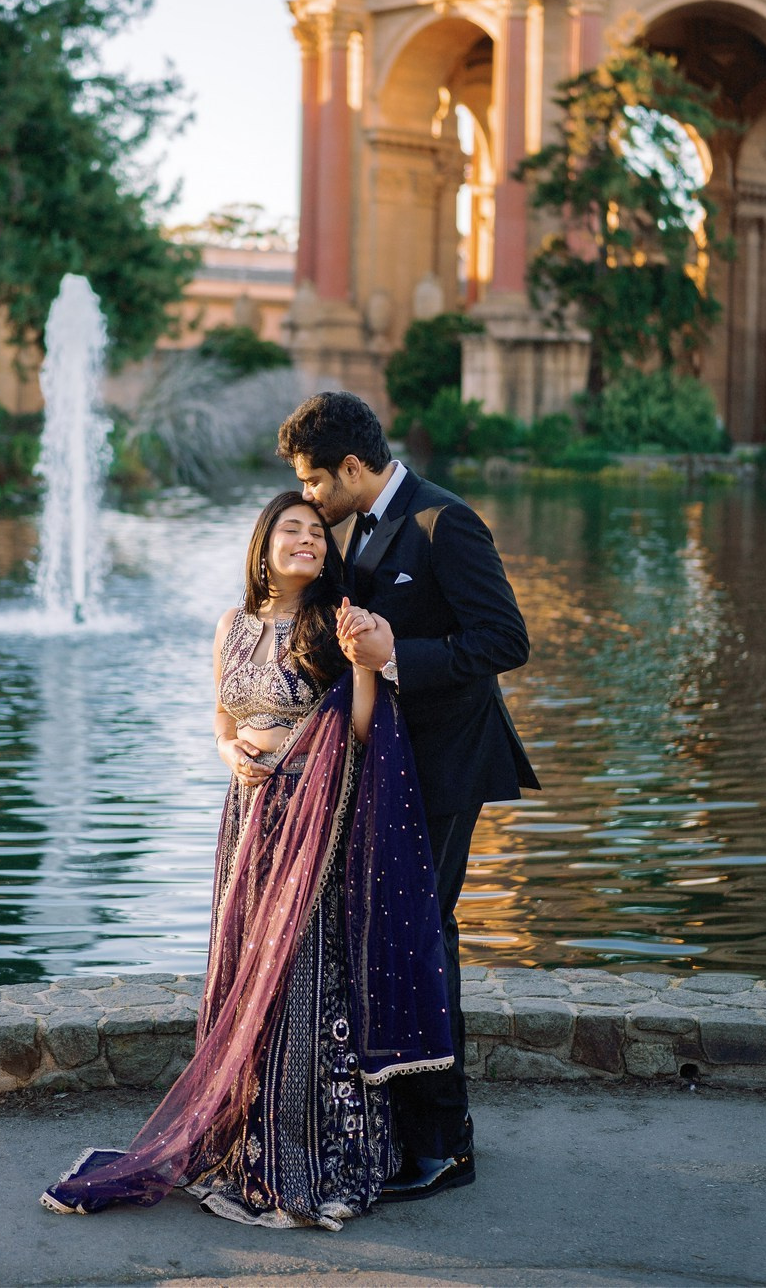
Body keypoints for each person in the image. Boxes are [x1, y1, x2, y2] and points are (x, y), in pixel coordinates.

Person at [41, 492, 454, 1228]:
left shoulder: (338, 621)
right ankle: (240, 1137)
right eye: (291, 529)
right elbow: (223, 716)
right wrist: (230, 750)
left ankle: (303, 1153)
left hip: (310, 819)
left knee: (302, 979)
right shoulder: (231, 626)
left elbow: (359, 732)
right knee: (243, 968)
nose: (308, 541)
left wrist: (364, 667)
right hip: (247, 820)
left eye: (318, 534)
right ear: (263, 544)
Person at [277, 391, 539, 1202]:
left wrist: (397, 658)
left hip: (448, 765)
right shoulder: (352, 529)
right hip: (384, 768)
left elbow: (505, 641)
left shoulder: (444, 522)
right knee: (391, 936)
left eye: (315, 482)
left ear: (353, 468)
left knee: (426, 940)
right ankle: (399, 1125)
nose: (309, 499)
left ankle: (447, 1142)